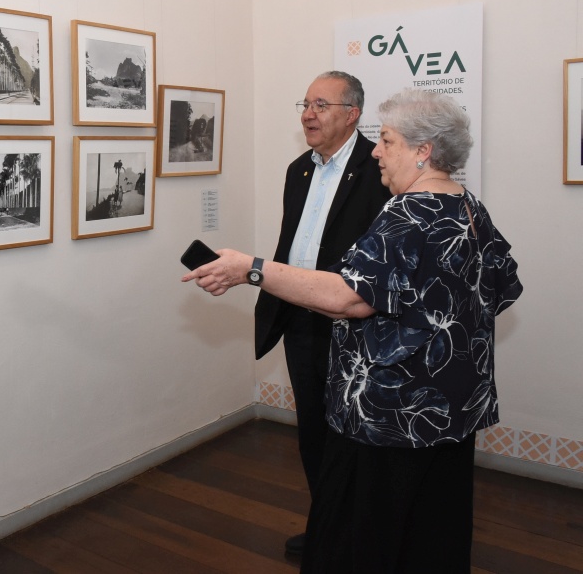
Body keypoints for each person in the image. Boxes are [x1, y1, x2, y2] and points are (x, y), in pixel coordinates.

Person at [183, 89, 523, 573]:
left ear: (423, 150)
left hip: (392, 415)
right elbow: (504, 287)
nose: (376, 151)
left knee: (364, 538)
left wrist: (250, 269)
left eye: (386, 140)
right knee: (432, 534)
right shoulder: (467, 206)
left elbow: (349, 297)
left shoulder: (409, 213)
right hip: (451, 406)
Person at [255, 71, 391, 555]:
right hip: (301, 320)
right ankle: (328, 529)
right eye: (305, 104)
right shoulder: (299, 170)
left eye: (321, 105)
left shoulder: (381, 169)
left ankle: (363, 539)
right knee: (313, 429)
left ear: (352, 114)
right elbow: (292, 243)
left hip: (357, 325)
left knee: (355, 437)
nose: (308, 114)